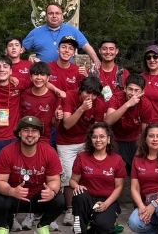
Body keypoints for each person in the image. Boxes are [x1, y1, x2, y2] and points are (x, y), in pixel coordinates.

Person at [0, 116, 65, 234]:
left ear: (39, 134)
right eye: (26, 130)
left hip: (38, 197)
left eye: (34, 130)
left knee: (59, 199)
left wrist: (51, 191)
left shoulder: (49, 152)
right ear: (19, 133)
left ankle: (42, 226)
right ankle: (3, 227)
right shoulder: (7, 152)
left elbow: (55, 180)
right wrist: (11, 191)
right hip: (14, 196)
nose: (30, 134)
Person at [57, 77, 106, 227]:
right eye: (87, 92)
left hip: (86, 141)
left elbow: (97, 128)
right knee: (67, 176)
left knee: (87, 175)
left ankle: (86, 207)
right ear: (80, 90)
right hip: (66, 142)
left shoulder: (99, 104)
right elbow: (66, 124)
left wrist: (96, 145)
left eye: (94, 94)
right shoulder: (69, 97)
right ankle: (70, 209)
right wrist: (81, 109)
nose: (90, 97)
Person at [69, 123, 126, 234]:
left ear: (108, 139)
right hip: (86, 199)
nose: (98, 140)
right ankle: (79, 229)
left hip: (106, 200)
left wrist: (107, 203)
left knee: (104, 227)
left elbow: (119, 186)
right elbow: (72, 180)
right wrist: (77, 186)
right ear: (90, 140)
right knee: (80, 194)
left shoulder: (117, 159)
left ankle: (93, 226)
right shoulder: (82, 157)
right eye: (94, 137)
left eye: (102, 136)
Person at [105, 73, 154, 173]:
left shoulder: (146, 104)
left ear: (143, 92)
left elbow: (145, 132)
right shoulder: (116, 98)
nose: (133, 93)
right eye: (130, 89)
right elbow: (108, 121)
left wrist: (140, 150)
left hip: (134, 139)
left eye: (137, 90)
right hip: (116, 138)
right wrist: (127, 104)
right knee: (117, 168)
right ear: (125, 88)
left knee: (137, 168)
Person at [23, 3, 99, 65]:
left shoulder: (72, 30)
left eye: (57, 13)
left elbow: (86, 46)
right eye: (50, 13)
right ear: (46, 16)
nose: (54, 16)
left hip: (67, 75)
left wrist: (96, 61)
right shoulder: (35, 32)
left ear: (62, 16)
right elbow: (19, 49)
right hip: (42, 76)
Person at [20, 62, 61, 144]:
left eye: (42, 74)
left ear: (48, 78)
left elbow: (55, 124)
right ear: (31, 77)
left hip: (44, 139)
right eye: (35, 74)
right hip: (25, 138)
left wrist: (57, 118)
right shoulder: (24, 94)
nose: (39, 77)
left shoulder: (54, 97)